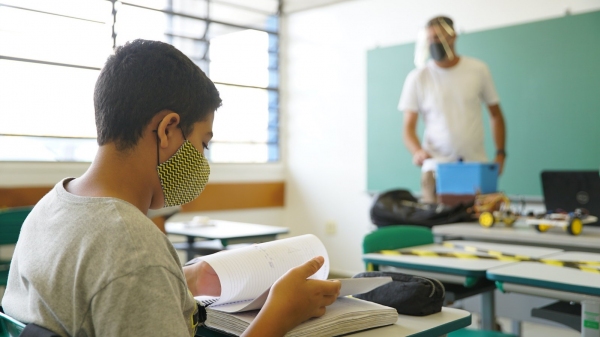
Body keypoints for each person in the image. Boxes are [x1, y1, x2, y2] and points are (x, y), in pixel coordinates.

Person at [2, 39, 341, 336]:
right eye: (203, 144)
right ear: (167, 130)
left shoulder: (49, 208)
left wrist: (176, 281)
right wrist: (278, 316)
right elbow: (128, 267)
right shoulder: (134, 248)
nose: (203, 160)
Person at [399, 16, 507, 203]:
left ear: (453, 37)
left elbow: (496, 115)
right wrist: (417, 151)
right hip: (436, 169)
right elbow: (408, 128)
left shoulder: (478, 69)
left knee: (476, 226)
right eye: (430, 38)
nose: (434, 42)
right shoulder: (418, 77)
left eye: (439, 37)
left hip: (475, 167)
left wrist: (500, 153)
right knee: (437, 225)